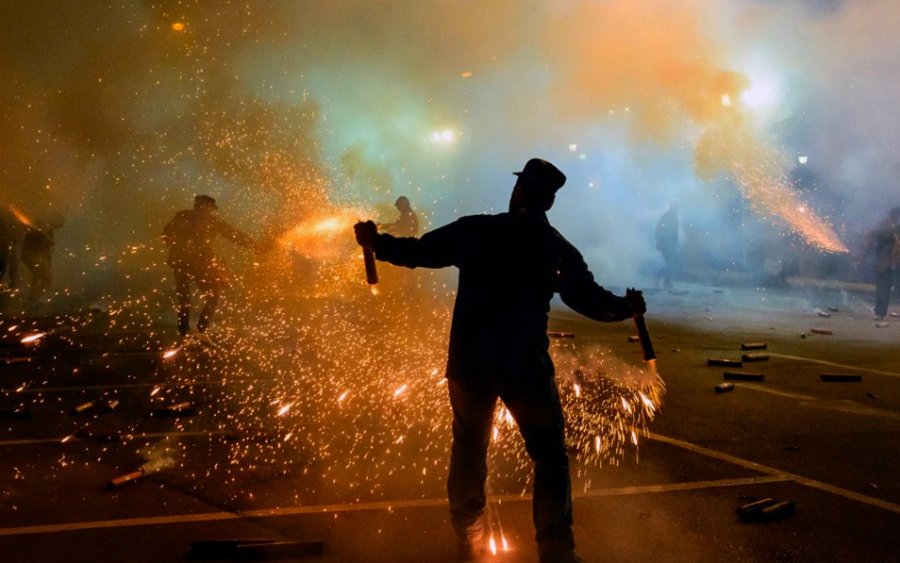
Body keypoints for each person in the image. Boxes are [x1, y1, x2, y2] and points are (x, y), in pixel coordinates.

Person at [355, 158, 646, 563]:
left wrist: (377, 243)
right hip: (523, 366)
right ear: (549, 201)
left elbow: (420, 252)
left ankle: (468, 541)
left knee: (469, 448)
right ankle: (556, 550)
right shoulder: (555, 247)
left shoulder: (478, 230)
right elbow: (590, 300)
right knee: (549, 456)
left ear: (520, 191)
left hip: (470, 363)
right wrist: (626, 308)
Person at [162, 195, 255, 346]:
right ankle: (200, 332)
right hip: (199, 263)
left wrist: (176, 247)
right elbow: (234, 235)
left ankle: (185, 334)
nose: (211, 211)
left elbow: (166, 234)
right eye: (211, 208)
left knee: (184, 299)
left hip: (180, 262)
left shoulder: (182, 215)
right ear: (206, 206)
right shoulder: (211, 221)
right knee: (214, 295)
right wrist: (256, 246)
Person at [860, 206, 900, 320]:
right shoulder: (887, 226)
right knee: (884, 287)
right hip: (887, 262)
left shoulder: (892, 228)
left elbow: (876, 234)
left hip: (888, 262)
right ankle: (880, 312)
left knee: (884, 287)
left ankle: (880, 312)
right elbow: (872, 238)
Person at [19, 213, 64, 302]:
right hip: (34, 258)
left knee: (37, 278)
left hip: (38, 258)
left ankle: (32, 299)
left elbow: (47, 251)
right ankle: (35, 300)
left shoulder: (46, 232)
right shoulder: (37, 232)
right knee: (48, 280)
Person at [655, 200, 680, 291]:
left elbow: (675, 233)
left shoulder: (673, 217)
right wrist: (661, 242)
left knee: (671, 263)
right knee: (670, 263)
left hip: (670, 244)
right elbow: (658, 229)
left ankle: (665, 281)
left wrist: (676, 243)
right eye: (676, 207)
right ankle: (662, 279)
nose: (678, 209)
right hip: (666, 244)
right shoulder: (666, 216)